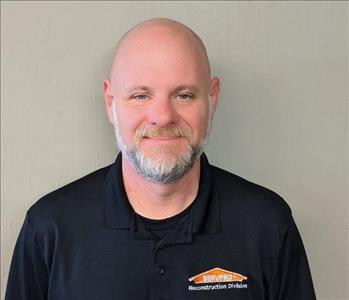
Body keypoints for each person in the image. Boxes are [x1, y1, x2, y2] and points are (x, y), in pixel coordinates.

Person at [5, 18, 316, 300]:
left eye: (184, 95)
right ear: (111, 102)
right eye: (141, 96)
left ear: (212, 98)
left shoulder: (267, 224)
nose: (163, 116)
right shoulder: (49, 229)